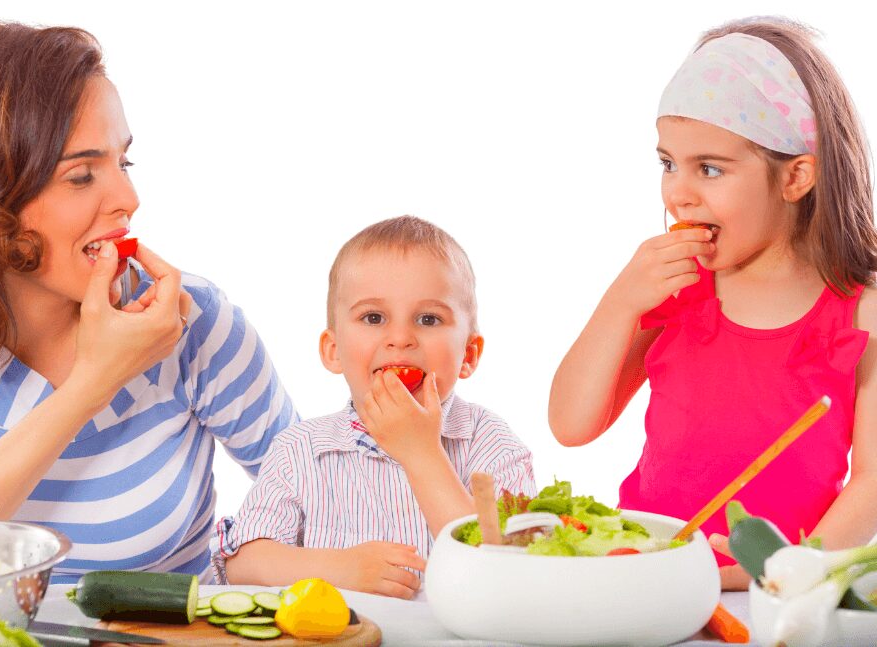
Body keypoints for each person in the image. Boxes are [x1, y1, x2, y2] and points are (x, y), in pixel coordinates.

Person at [0, 22, 296, 584]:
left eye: (123, 163)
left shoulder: (188, 322)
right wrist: (92, 385)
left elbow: (323, 496)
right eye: (81, 175)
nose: (128, 199)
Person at [549, 17, 877, 590]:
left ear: (796, 176)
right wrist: (620, 301)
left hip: (767, 598)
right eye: (668, 163)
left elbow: (872, 483)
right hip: (643, 575)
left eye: (710, 168)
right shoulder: (678, 285)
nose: (679, 191)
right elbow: (573, 424)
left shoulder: (859, 313)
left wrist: (788, 573)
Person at [218, 216, 535, 598]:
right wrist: (339, 568)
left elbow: (510, 574)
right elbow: (245, 563)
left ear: (468, 353)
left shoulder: (492, 444)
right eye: (373, 318)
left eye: (428, 319)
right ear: (333, 351)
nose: (400, 338)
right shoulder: (300, 449)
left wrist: (422, 454)